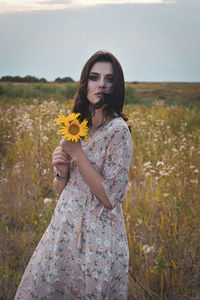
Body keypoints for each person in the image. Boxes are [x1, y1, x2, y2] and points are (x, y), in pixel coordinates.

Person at [14, 50, 133, 300]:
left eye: (109, 79)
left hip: (97, 240)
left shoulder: (118, 131)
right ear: (85, 83)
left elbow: (111, 198)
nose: (101, 84)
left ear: (117, 86)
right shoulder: (77, 125)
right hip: (63, 231)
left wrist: (78, 154)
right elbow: (62, 191)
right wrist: (62, 172)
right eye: (94, 77)